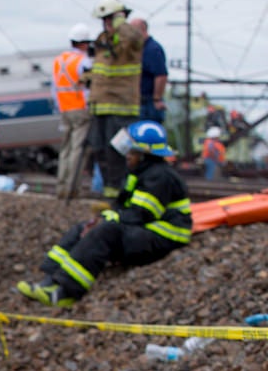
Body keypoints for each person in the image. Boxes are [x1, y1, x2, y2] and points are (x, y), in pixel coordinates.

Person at [17, 120, 191, 307]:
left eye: (132, 152)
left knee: (106, 232)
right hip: (147, 230)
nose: (127, 157)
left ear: (144, 154)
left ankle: (66, 292)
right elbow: (123, 206)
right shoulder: (142, 172)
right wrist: (100, 219)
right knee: (83, 228)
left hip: (165, 236)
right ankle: (49, 281)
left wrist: (108, 220)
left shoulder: (160, 176)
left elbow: (141, 215)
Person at [88, 0, 144, 198]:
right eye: (105, 20)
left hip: (122, 108)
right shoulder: (103, 43)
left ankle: (123, 195)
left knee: (118, 153)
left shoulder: (129, 42)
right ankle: (110, 194)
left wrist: (122, 23)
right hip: (100, 108)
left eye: (110, 19)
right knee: (100, 151)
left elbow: (134, 38)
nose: (107, 24)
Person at [53, 23, 94, 199]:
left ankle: (61, 186)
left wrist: (60, 107)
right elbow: (88, 88)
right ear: (84, 43)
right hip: (80, 109)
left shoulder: (59, 61)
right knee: (78, 149)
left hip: (64, 109)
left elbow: (54, 89)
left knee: (65, 149)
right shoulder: (84, 61)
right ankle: (72, 189)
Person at [129, 18, 168, 123]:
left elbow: (161, 75)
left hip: (148, 103)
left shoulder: (152, 49)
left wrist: (157, 98)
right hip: (137, 102)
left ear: (141, 30)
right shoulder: (138, 49)